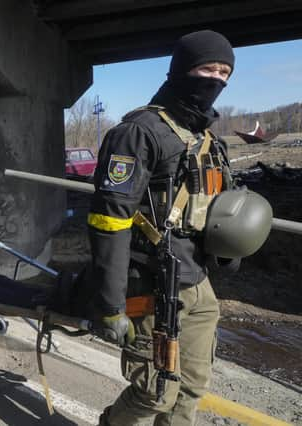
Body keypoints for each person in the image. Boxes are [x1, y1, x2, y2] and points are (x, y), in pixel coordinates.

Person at [86, 30, 269, 425]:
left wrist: (227, 252)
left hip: (198, 284)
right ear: (182, 70)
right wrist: (111, 304)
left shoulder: (207, 141)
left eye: (224, 72)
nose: (216, 80)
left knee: (191, 388)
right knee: (154, 393)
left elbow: (222, 205)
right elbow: (108, 221)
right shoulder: (138, 133)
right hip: (150, 284)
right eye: (207, 68)